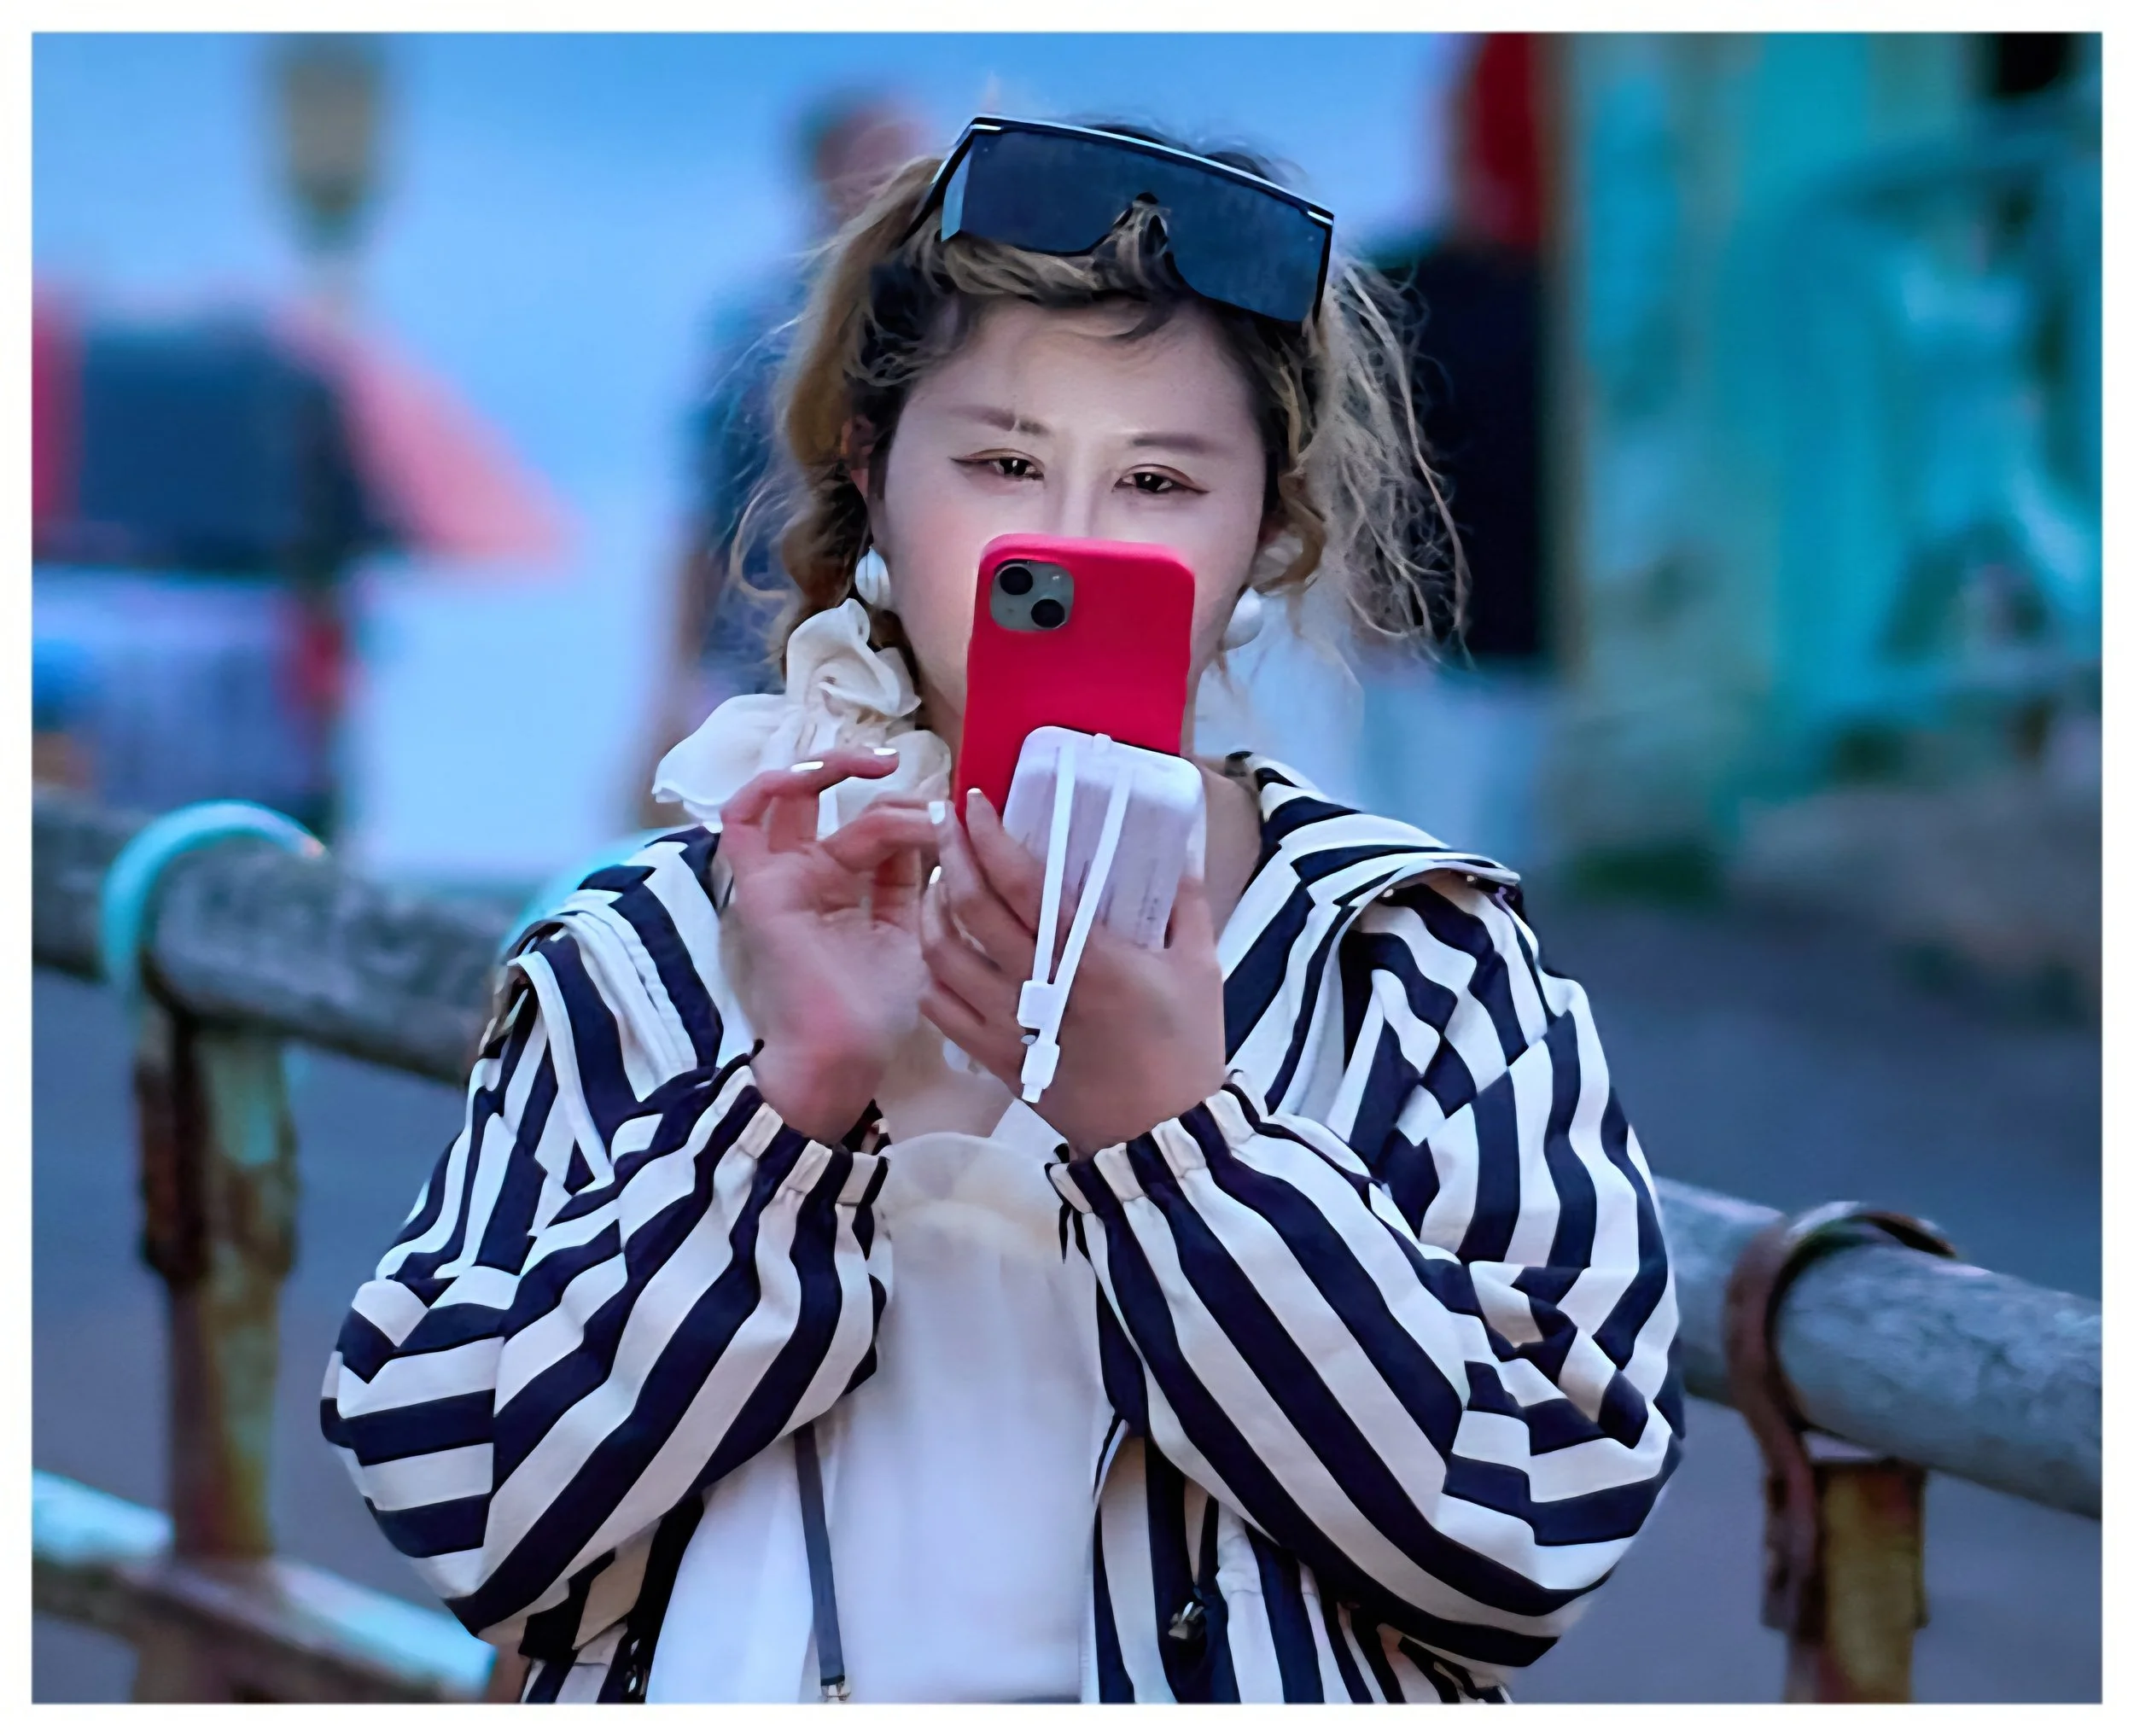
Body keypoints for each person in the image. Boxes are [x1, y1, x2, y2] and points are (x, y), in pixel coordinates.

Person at [324, 116, 1682, 1704]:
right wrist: (791, 1106)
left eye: (1163, 479)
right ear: (868, 470)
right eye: (1000, 462)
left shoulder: (1415, 959)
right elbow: (464, 1504)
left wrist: (1177, 1144)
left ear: (1270, 530)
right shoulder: (646, 946)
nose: (1074, 541)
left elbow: (1530, 1537)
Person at [638, 95, 926, 826]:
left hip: (910, 644)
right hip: (770, 642)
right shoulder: (762, 331)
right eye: (882, 155)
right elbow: (704, 516)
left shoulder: (944, 324)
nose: (904, 177)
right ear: (826, 174)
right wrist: (667, 691)